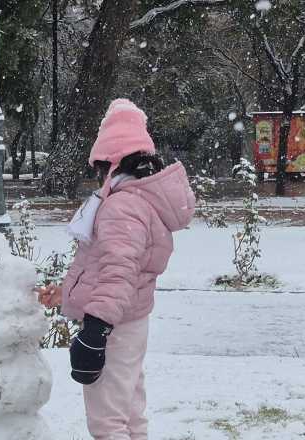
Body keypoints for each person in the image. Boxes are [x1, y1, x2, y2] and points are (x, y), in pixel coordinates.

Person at [37, 98, 195, 440]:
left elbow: (119, 271)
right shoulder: (137, 199)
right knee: (129, 415)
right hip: (127, 319)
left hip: (113, 323)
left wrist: (96, 329)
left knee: (108, 423)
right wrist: (69, 294)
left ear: (110, 161)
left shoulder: (122, 205)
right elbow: (108, 264)